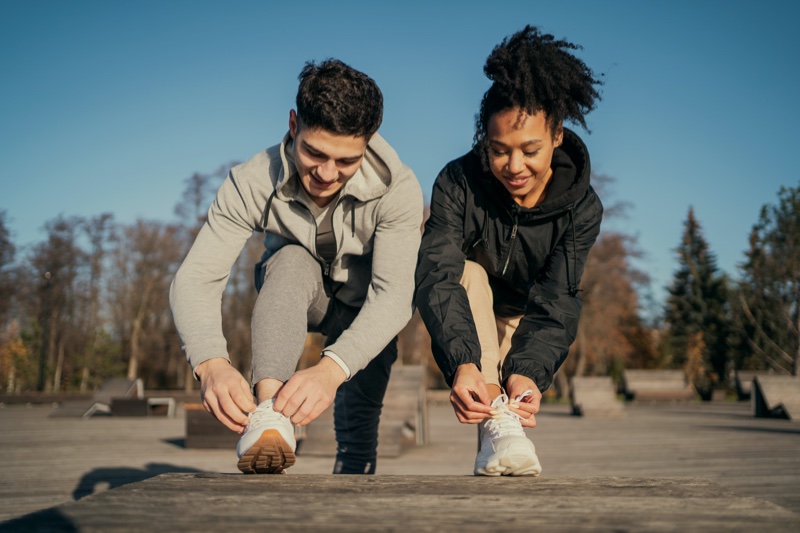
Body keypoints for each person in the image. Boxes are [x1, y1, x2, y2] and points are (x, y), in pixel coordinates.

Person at [170, 59, 423, 475]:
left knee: (358, 451)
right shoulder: (251, 182)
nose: (326, 173)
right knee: (289, 261)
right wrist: (211, 363)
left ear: (369, 141)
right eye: (314, 153)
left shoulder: (398, 188)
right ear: (293, 125)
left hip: (365, 311)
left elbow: (394, 296)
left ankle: (354, 469)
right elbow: (196, 277)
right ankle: (271, 415)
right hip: (299, 296)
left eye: (346, 161)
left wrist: (331, 370)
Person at [415, 26, 603, 476]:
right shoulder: (458, 183)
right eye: (499, 151)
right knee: (470, 274)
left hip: (525, 313)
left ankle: (499, 435)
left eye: (530, 149)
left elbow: (557, 298)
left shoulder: (582, 208)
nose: (514, 166)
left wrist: (530, 373)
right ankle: (501, 431)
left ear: (557, 135)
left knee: (508, 391)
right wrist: (464, 364)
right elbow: (438, 274)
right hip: (466, 301)